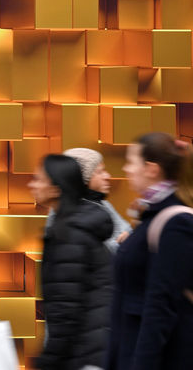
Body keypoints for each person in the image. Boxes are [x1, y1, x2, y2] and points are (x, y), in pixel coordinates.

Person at [108, 132, 193, 370]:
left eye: (131, 162)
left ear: (151, 169)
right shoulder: (151, 214)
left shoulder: (176, 220)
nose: (126, 169)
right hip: (131, 350)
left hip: (155, 358)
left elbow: (160, 304)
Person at [28, 154, 113, 370]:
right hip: (92, 348)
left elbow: (66, 311)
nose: (32, 184)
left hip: (84, 354)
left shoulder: (69, 236)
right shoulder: (73, 227)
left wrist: (48, 360)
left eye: (38, 179)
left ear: (56, 189)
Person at [64, 148, 132, 252]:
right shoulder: (67, 211)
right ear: (83, 178)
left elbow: (126, 230)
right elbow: (99, 253)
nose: (107, 176)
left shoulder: (103, 203)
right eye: (100, 172)